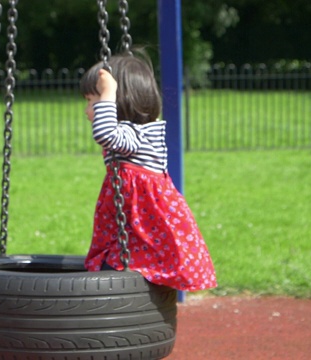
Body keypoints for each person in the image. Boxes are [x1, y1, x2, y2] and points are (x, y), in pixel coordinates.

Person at [80, 51, 217, 291]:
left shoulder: (133, 136)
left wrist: (108, 92)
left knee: (125, 266)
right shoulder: (135, 135)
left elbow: (104, 133)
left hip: (144, 224)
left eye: (92, 101)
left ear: (117, 104)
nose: (87, 110)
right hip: (136, 223)